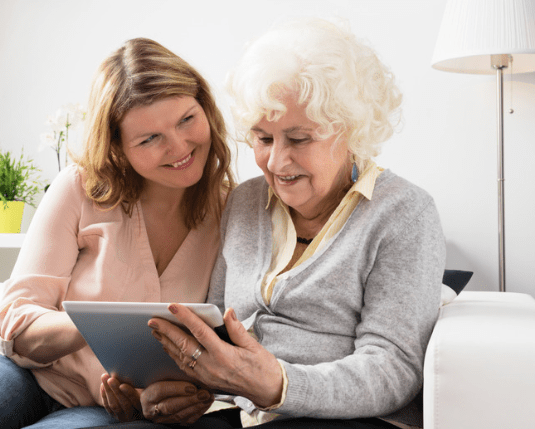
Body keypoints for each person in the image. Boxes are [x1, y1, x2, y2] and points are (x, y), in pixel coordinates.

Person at [101, 19, 446, 429]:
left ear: (351, 130)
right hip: (234, 412)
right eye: (263, 139)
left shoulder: (404, 213)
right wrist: (182, 390)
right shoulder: (245, 201)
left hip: (342, 417)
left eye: (299, 139)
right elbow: (218, 332)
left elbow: (394, 369)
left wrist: (279, 385)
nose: (277, 162)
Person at [0, 37, 235, 429]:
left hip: (106, 410)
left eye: (186, 119)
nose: (179, 146)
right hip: (26, 375)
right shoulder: (81, 188)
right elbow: (16, 321)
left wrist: (168, 398)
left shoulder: (232, 214)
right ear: (118, 146)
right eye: (149, 138)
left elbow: (224, 350)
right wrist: (99, 327)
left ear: (205, 106)